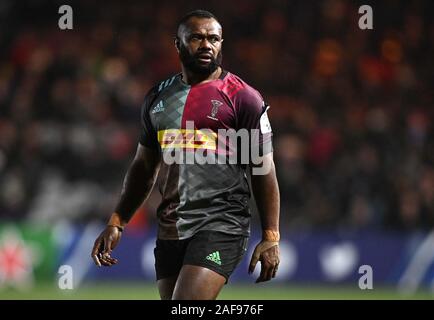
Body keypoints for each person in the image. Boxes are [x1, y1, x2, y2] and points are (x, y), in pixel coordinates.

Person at [91, 9, 280, 300]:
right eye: (196, 38)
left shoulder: (243, 97)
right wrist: (117, 221)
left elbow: (263, 168)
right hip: (170, 228)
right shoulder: (157, 98)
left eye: (214, 39)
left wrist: (271, 236)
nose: (206, 45)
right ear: (177, 44)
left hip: (221, 224)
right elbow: (143, 167)